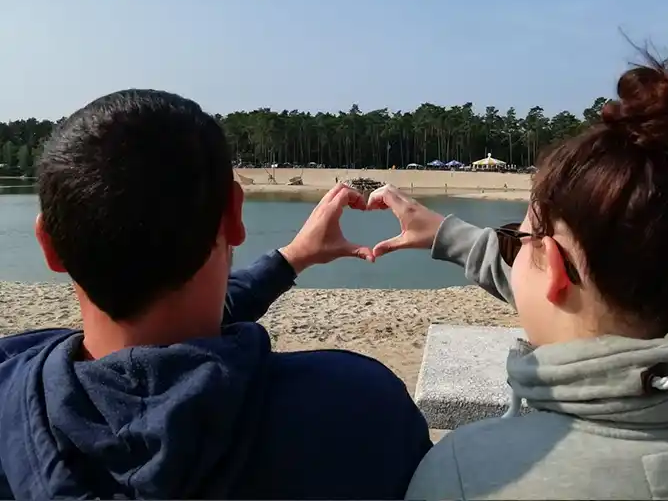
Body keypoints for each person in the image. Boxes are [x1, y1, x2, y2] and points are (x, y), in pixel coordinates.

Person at [368, 52, 668, 500]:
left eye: (515, 241)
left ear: (554, 271)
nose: (512, 255)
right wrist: (444, 235)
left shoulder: (470, 472)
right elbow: (592, 291)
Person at [0, 90, 431, 500]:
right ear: (235, 216)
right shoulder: (359, 410)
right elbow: (186, 328)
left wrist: (292, 258)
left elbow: (170, 329)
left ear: (50, 246)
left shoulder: (12, 385)